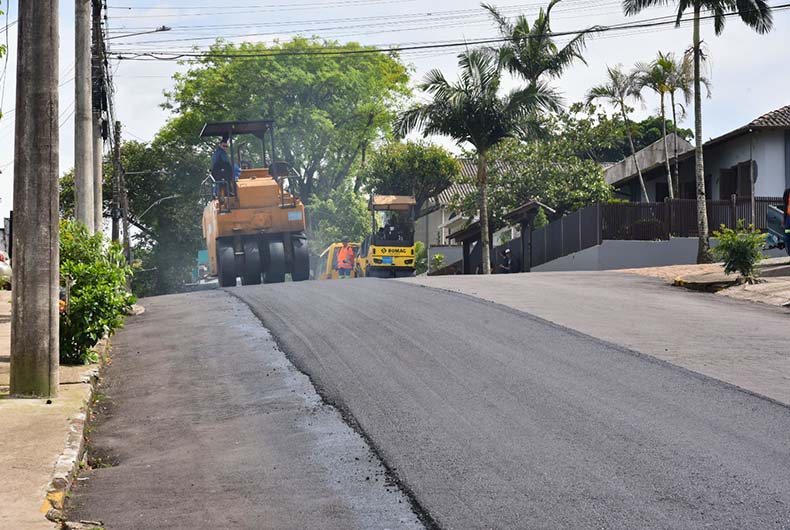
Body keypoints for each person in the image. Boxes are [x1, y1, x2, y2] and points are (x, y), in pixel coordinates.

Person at [783, 187, 790, 256]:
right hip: (788, 218)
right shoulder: (787, 192)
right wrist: (784, 219)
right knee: (788, 235)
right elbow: (785, 203)